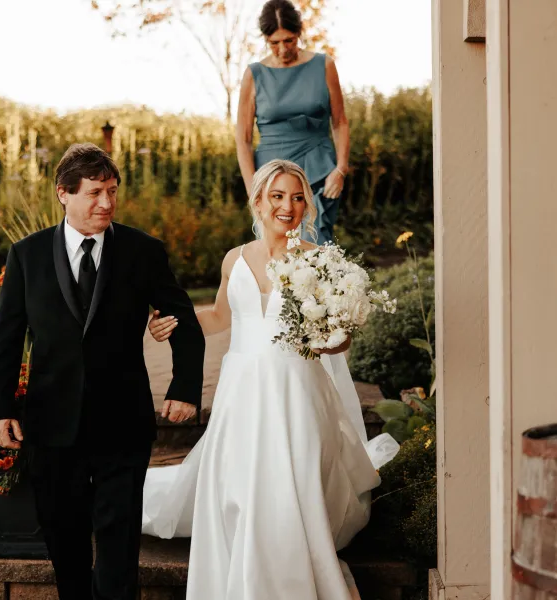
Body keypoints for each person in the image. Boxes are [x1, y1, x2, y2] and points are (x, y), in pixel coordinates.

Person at [141, 160, 399, 600]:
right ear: (258, 202)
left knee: (288, 482)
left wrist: (334, 342)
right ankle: (239, 574)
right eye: (278, 196)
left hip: (295, 388)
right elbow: (222, 316)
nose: (289, 206)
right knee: (239, 481)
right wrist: (175, 324)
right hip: (241, 387)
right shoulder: (234, 259)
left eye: (298, 197)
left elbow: (339, 339)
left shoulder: (320, 262)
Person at [0, 142, 206, 600]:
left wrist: (184, 387)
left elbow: (181, 318)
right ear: (63, 194)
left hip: (122, 419)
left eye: (111, 191)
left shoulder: (143, 251)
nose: (106, 203)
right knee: (63, 534)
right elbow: (6, 340)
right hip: (52, 422)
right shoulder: (26, 255)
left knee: (118, 535)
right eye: (94, 193)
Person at [236, 0, 350, 246]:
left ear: (299, 33)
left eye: (289, 40)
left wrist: (340, 169)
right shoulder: (254, 74)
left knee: (315, 249)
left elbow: (340, 122)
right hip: (271, 178)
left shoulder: (324, 65)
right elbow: (243, 139)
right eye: (274, 43)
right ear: (266, 40)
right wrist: (252, 191)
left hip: (318, 172)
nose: (282, 49)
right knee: (274, 254)